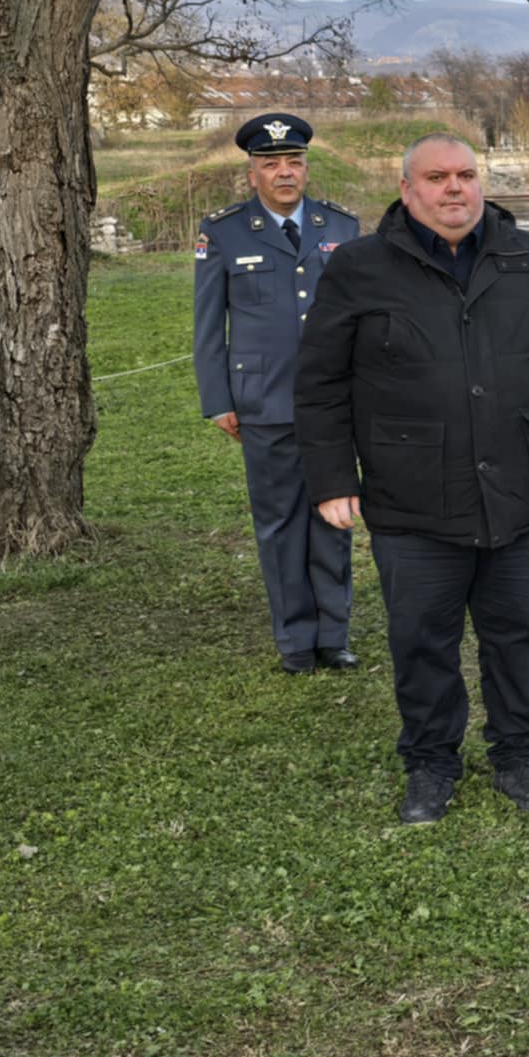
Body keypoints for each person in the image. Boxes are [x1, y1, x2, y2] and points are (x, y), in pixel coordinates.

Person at [295, 134, 529, 824]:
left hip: (521, 495)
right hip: (413, 498)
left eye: (466, 174)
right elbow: (318, 383)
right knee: (421, 640)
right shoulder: (360, 268)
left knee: (520, 635)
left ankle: (520, 755)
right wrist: (329, 478)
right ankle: (432, 763)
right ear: (407, 190)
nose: (454, 188)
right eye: (436, 177)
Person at [193, 112, 361, 674]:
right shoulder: (224, 232)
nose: (284, 173)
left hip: (335, 404)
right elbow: (208, 325)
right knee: (280, 524)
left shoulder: (341, 227)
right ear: (252, 175)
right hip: (264, 402)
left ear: (306, 167)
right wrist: (219, 399)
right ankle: (295, 641)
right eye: (271, 164)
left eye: (294, 162)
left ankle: (333, 635)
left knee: (333, 518)